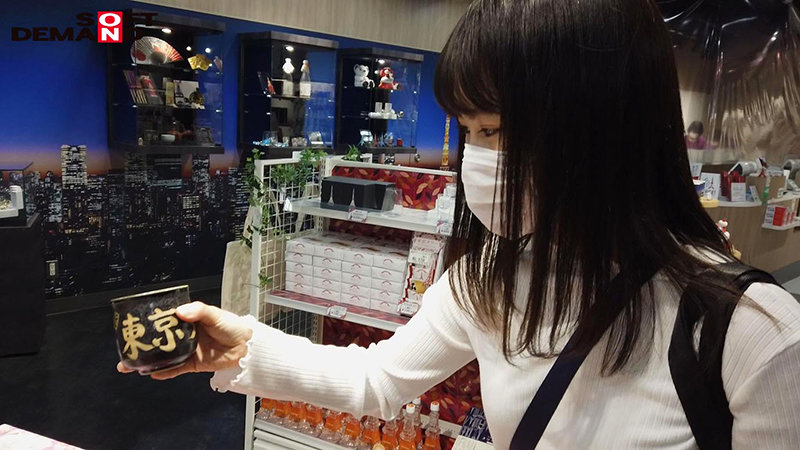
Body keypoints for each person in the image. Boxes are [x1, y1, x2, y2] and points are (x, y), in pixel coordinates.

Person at [118, 1, 800, 448]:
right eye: (468, 132)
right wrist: (243, 348)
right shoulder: (487, 280)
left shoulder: (754, 334)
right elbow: (380, 380)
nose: (478, 161)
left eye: (495, 131)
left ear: (603, 131)